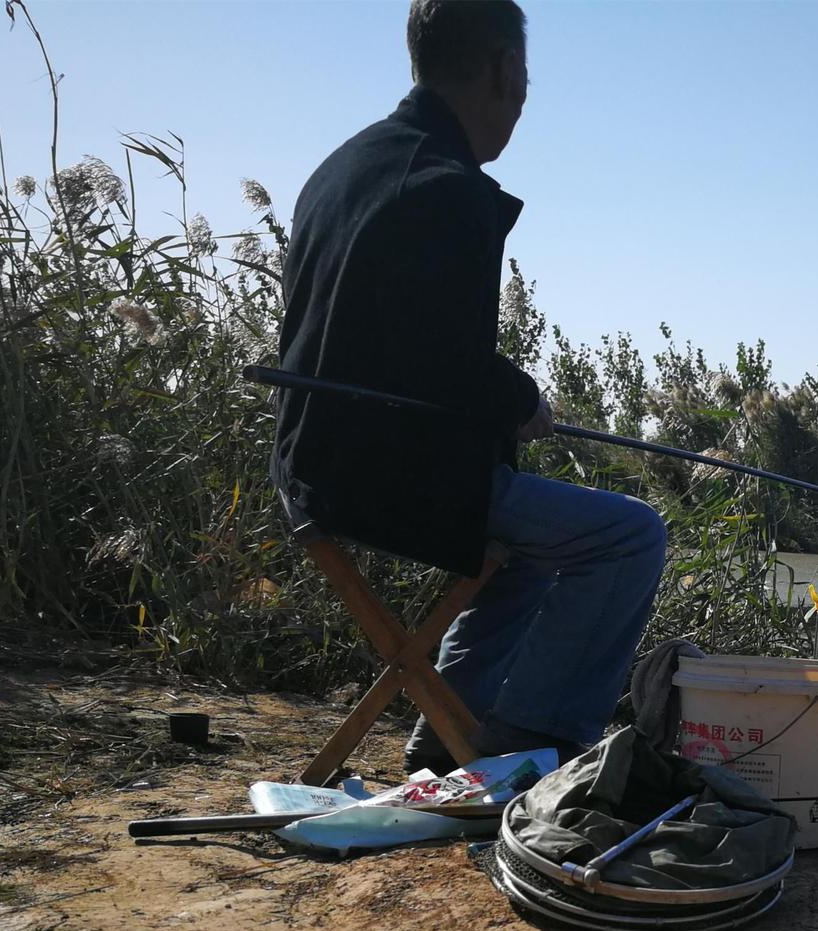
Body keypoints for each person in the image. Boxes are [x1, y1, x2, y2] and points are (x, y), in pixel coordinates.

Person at [271, 0, 667, 773]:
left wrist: (502, 403)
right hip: (383, 480)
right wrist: (522, 402)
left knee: (529, 546)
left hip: (309, 466)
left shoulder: (344, 167)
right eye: (524, 80)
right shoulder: (445, 188)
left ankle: (448, 731)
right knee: (631, 535)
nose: (521, 101)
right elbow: (441, 359)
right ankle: (534, 747)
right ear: (506, 70)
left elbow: (391, 342)